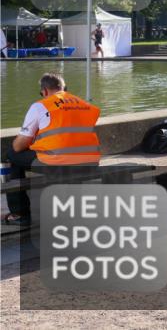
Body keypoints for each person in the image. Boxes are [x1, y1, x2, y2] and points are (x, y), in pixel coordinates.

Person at [3, 73, 101, 226]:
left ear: (45, 91)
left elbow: (19, 145)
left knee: (13, 154)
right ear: (64, 88)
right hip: (90, 161)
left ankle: (20, 214)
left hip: (59, 162)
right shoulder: (85, 105)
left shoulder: (41, 106)